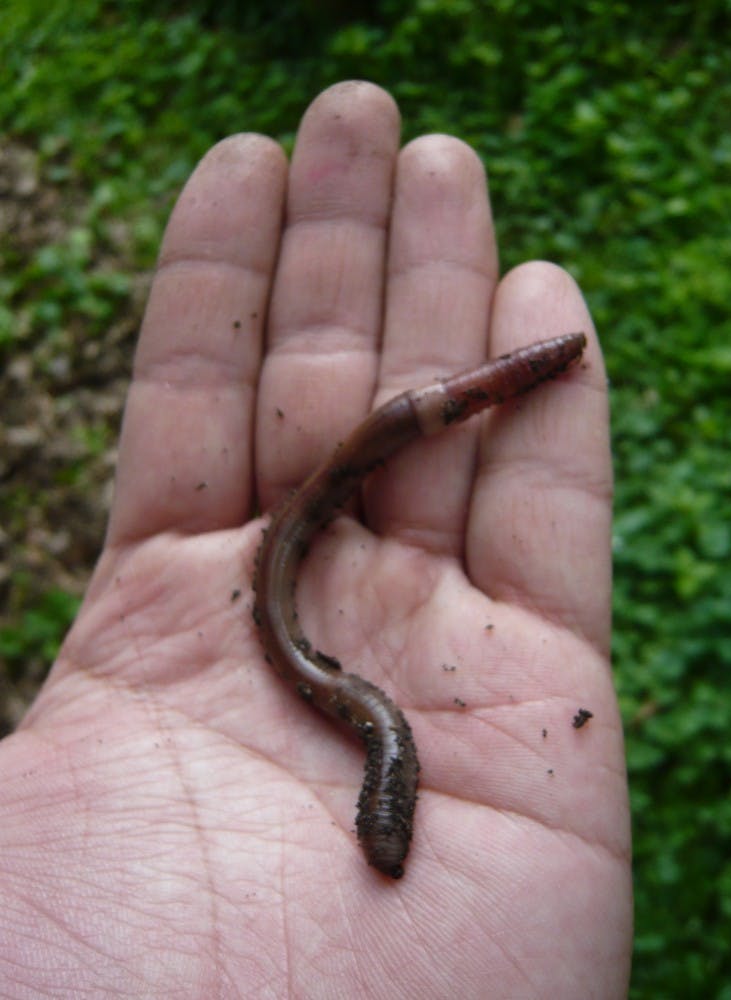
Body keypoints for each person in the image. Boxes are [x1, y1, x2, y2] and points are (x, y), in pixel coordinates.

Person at [0, 81, 632, 997]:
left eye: (386, 816)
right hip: (341, 514)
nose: (389, 809)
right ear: (394, 795)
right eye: (389, 812)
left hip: (347, 506)